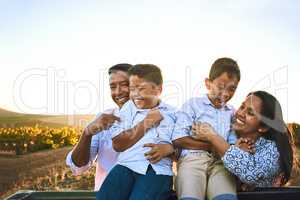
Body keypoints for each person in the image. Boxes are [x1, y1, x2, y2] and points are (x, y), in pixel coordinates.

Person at [96, 64, 186, 200]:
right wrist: (146, 123)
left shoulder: (174, 113)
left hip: (157, 171)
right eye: (132, 89)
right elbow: (118, 144)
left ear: (158, 89)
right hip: (126, 166)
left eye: (141, 89)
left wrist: (169, 148)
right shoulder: (128, 109)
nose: (136, 94)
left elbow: (182, 148)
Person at [192, 91, 294, 189]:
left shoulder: (273, 150)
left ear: (263, 127)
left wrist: (212, 136)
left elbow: (250, 172)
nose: (241, 113)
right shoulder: (229, 138)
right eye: (242, 107)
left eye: (250, 112)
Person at [173, 57, 241, 200]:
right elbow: (178, 139)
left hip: (221, 163)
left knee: (225, 196)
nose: (226, 93)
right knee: (190, 195)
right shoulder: (193, 104)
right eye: (221, 86)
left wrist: (211, 138)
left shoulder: (231, 113)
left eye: (232, 89)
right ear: (208, 83)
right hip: (193, 159)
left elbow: (231, 146)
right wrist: (214, 144)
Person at [65, 63, 132, 190]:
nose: (118, 92)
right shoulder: (104, 117)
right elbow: (79, 167)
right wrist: (87, 133)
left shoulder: (155, 117)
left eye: (124, 85)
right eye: (113, 87)